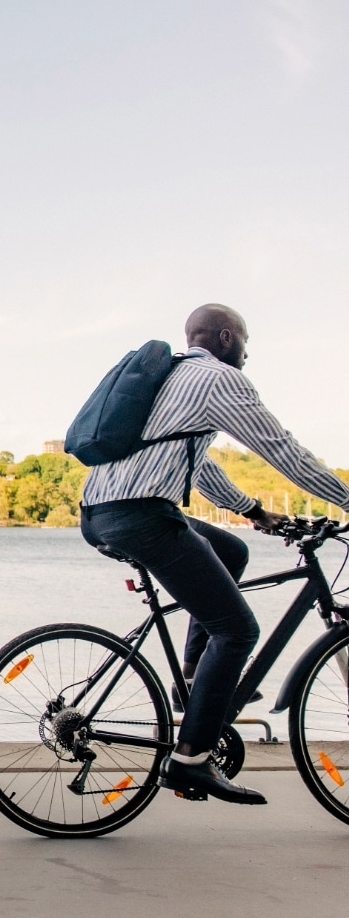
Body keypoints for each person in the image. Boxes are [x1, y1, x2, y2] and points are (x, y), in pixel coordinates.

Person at [81, 303, 349, 805]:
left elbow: (195, 467)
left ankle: (192, 677)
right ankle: (191, 760)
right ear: (227, 338)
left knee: (229, 549)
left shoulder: (169, 377)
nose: (248, 355)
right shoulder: (219, 380)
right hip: (143, 516)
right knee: (239, 629)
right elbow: (282, 450)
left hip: (99, 513)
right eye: (246, 343)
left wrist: (254, 511)